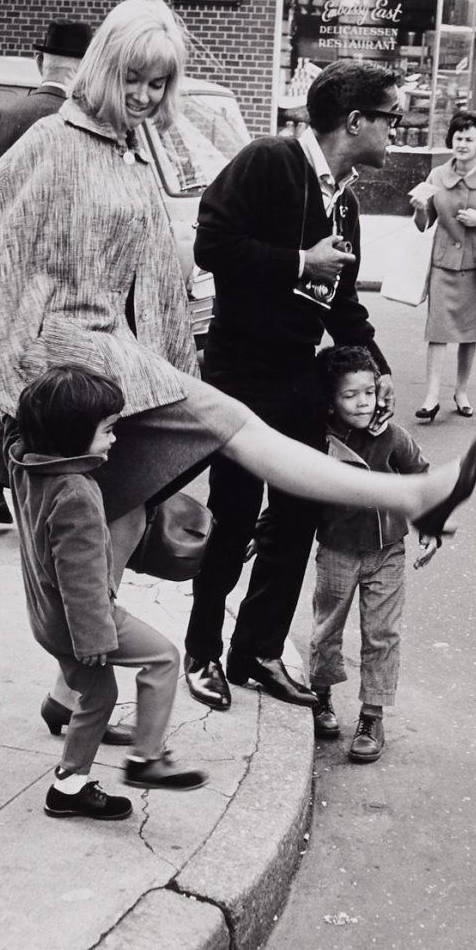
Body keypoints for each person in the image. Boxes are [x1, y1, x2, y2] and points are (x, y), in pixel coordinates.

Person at [0, 0, 476, 736]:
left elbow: (158, 266)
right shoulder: (54, 138)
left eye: (160, 85)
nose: (145, 98)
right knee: (231, 430)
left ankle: (68, 700)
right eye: (135, 79)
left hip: (116, 361)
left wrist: (171, 346)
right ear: (104, 67)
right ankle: (412, 496)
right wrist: (9, 360)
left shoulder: (127, 150)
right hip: (75, 361)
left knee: (122, 529)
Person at [184, 60, 406, 714]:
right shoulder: (268, 160)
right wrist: (296, 261)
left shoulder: (345, 199)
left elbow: (340, 306)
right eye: (389, 116)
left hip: (294, 375)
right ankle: (201, 651)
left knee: (295, 515)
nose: (396, 128)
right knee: (232, 515)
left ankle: (253, 650)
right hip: (238, 371)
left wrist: (374, 365)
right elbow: (211, 244)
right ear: (354, 120)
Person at [10, 366, 209, 820]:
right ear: (77, 433)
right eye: (108, 430)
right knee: (163, 658)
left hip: (47, 620)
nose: (114, 439)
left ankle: (69, 787)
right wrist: (96, 637)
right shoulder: (75, 493)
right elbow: (79, 577)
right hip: (82, 620)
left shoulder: (26, 465)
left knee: (97, 698)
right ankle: (147, 758)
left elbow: (11, 433)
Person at [0, 18, 93, 527]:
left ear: (41, 63)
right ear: (84, 72)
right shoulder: (82, 124)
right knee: (52, 384)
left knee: (11, 375)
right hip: (61, 276)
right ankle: (29, 486)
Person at [308, 346, 439, 765]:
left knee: (382, 634)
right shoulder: (318, 440)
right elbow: (291, 489)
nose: (363, 402)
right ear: (330, 400)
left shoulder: (391, 436)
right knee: (327, 628)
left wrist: (430, 524)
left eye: (369, 392)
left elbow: (420, 475)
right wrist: (264, 530)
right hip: (336, 551)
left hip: (387, 552)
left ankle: (371, 716)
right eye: (350, 395)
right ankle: (321, 695)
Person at [409, 111, 476, 421]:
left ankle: (461, 391)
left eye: (469, 139)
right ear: (451, 140)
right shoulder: (436, 176)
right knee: (438, 331)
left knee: (469, 333)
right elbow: (424, 224)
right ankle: (431, 397)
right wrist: (418, 210)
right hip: (443, 264)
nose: (463, 143)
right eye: (458, 137)